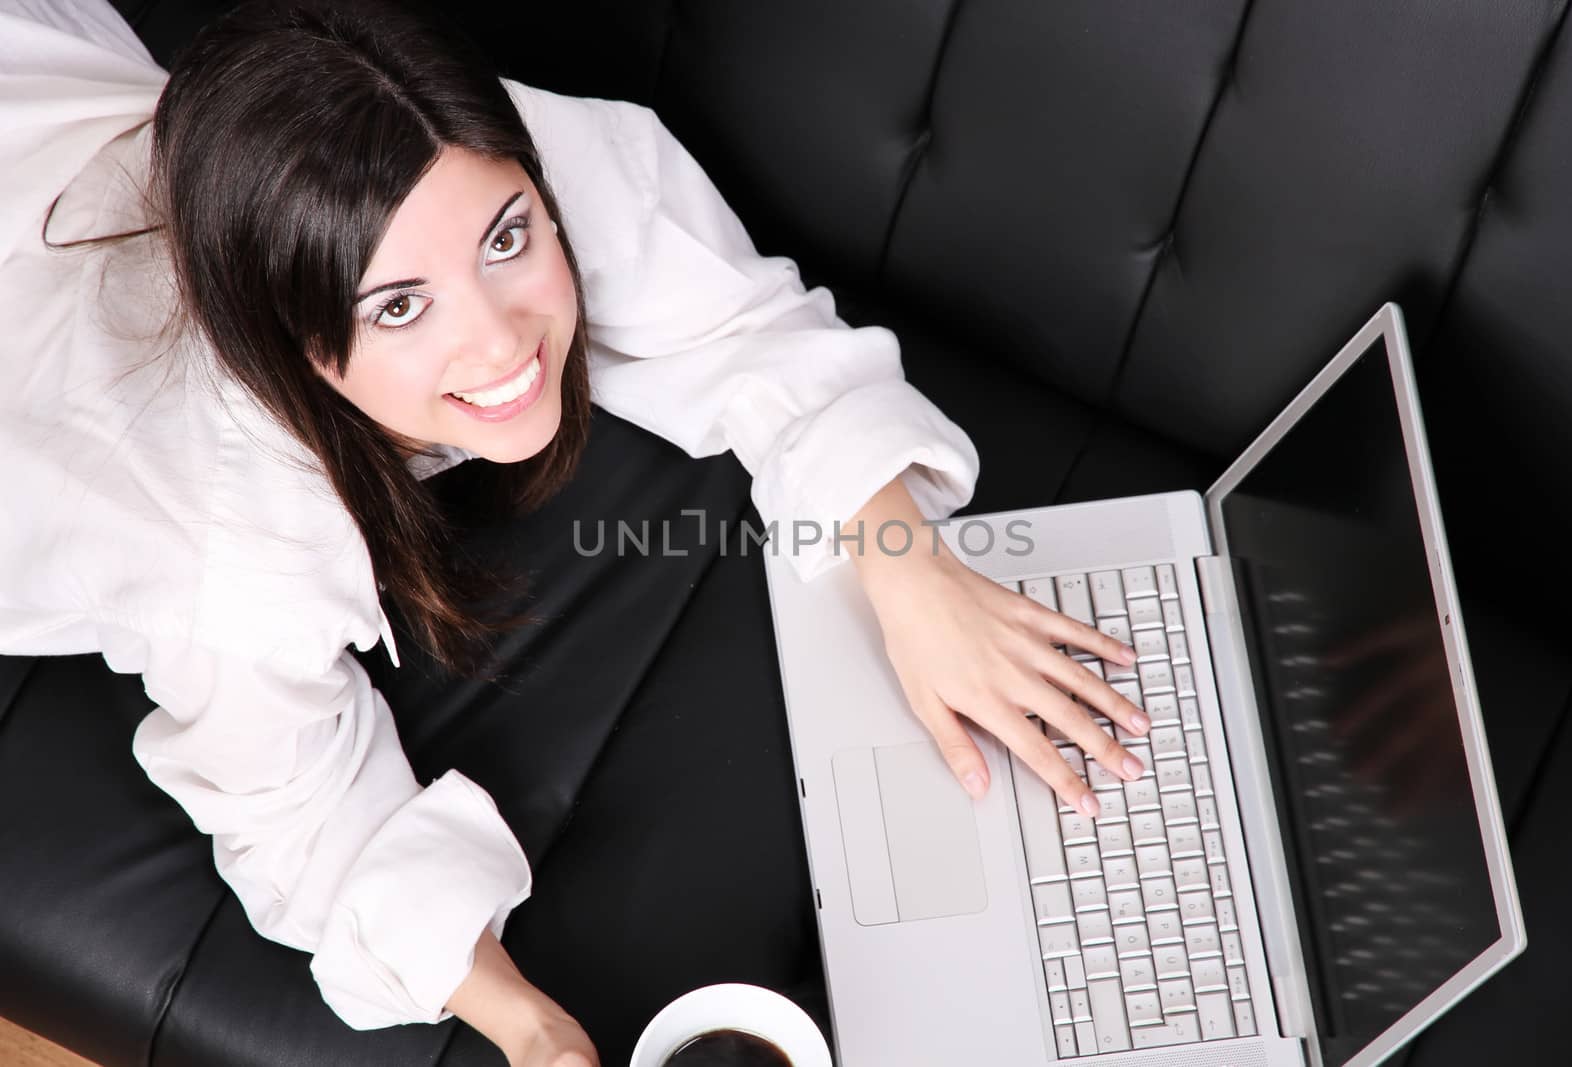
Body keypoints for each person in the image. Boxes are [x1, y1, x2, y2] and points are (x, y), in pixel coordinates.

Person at [0, 0, 1154, 1063]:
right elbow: (304, 820)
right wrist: (534, 1026)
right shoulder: (222, 538)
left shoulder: (449, 166)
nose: (504, 342)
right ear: (299, 349)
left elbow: (743, 325)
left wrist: (911, 572)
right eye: (399, 307)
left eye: (510, 241)